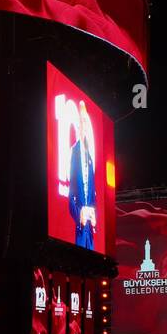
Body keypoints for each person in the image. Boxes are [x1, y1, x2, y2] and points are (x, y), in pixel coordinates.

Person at [67, 101, 98, 250]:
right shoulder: (74, 152)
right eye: (82, 122)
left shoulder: (90, 157)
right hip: (80, 224)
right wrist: (80, 215)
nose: (84, 127)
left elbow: (94, 195)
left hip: (90, 228)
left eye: (86, 122)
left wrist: (93, 215)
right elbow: (70, 194)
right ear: (78, 126)